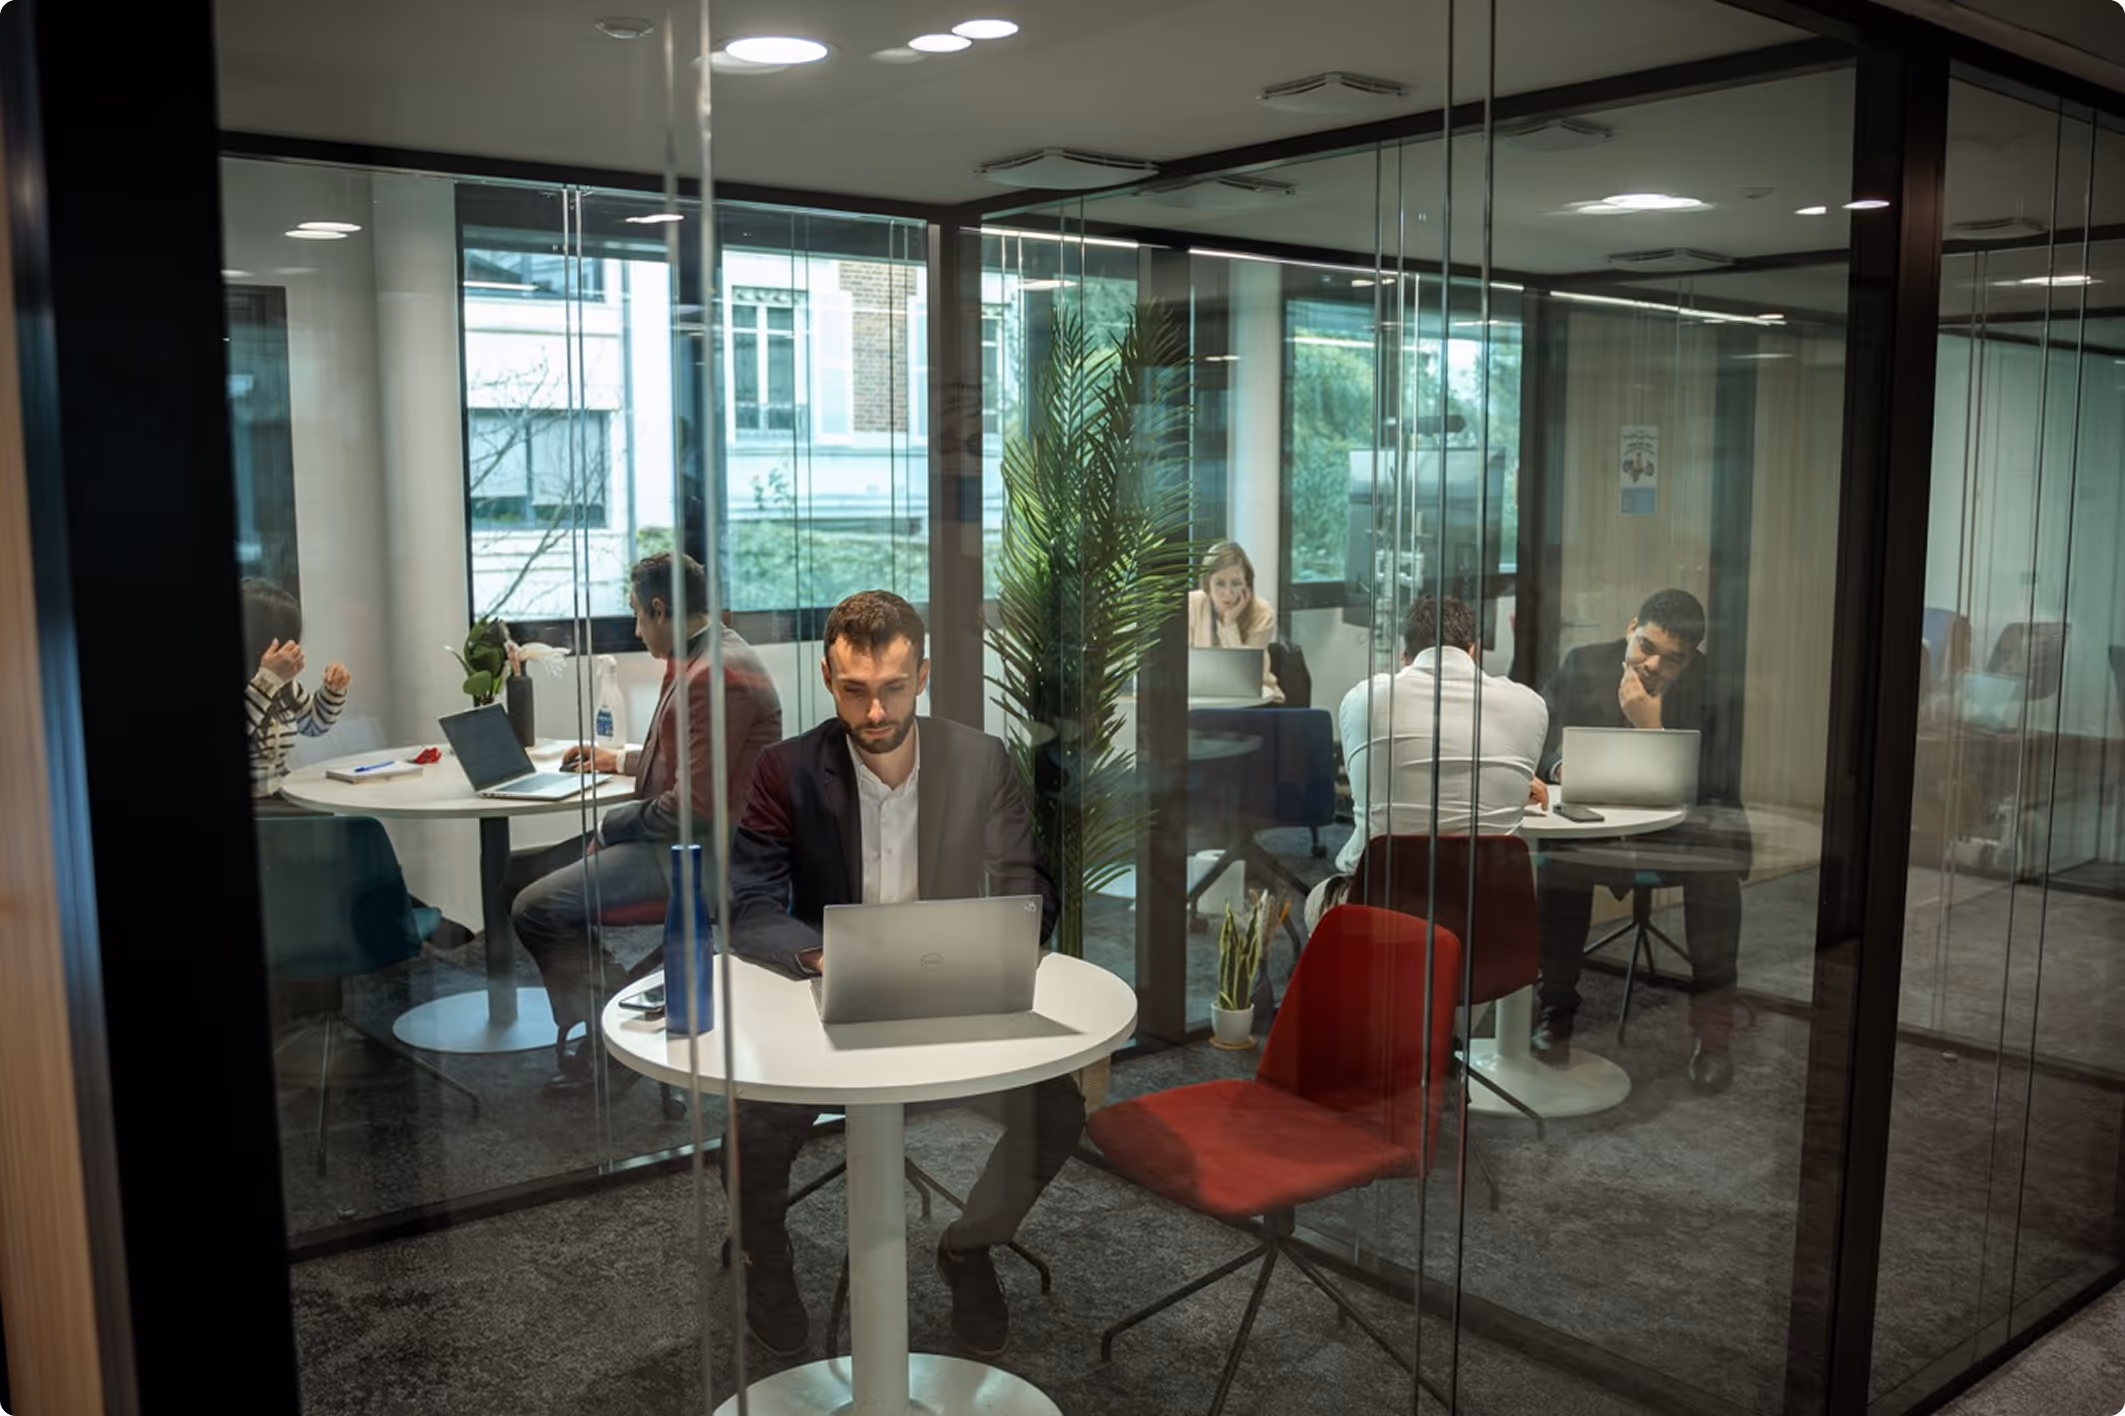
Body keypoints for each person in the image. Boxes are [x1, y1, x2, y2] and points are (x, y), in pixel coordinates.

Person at [724, 589, 1079, 1360]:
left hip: (949, 994)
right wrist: (828, 955)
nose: (874, 710)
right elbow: (746, 903)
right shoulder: (785, 769)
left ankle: (969, 1244)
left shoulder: (977, 759)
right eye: (854, 690)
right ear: (827, 677)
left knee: (1056, 1110)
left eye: (890, 687)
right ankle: (768, 1265)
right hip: (830, 998)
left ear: (921, 675)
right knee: (746, 1124)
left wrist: (984, 942)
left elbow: (1031, 889)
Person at [504, 551, 782, 1096]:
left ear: (660, 607)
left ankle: (620, 1029)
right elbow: (695, 762)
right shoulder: (704, 655)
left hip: (702, 855)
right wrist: (620, 760)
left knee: (532, 907)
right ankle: (630, 1007)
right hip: (678, 839)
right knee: (517, 875)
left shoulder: (712, 674)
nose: (635, 629)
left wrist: (611, 826)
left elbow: (693, 806)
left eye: (636, 615)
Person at [1530, 587, 1746, 1094]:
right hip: (1596, 826)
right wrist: (1562, 767)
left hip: (1681, 832)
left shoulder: (1717, 686)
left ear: (1690, 659)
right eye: (1645, 647)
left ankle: (1713, 1037)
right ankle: (1556, 1010)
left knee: (1715, 872)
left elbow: (1716, 786)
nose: (1652, 665)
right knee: (1561, 860)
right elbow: (1539, 742)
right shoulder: (1583, 663)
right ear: (1631, 628)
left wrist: (1652, 730)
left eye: (1672, 660)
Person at [1305, 596, 1549, 930]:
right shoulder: (1529, 706)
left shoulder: (1365, 700)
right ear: (1474, 650)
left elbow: (1370, 787)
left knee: (1319, 896)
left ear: (1407, 656)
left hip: (1380, 919)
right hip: (1490, 923)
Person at [241, 578, 351, 808]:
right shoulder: (270, 682)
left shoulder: (282, 686)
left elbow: (314, 725)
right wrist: (268, 679)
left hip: (281, 796)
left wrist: (332, 692)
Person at [1186, 540, 1284, 703]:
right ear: (1207, 583)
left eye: (1236, 583)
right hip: (1200, 701)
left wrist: (1230, 623)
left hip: (1255, 702)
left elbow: (1245, 678)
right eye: (1219, 584)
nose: (1228, 593)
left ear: (1247, 583)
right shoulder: (1191, 605)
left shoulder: (1263, 613)